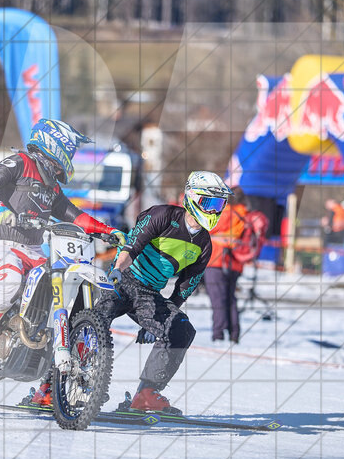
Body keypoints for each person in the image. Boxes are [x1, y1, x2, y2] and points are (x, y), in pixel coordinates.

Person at [0, 118, 125, 370]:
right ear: (54, 143)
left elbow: (75, 215)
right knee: (10, 282)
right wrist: (0, 209)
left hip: (34, 251)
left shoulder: (51, 186)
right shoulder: (19, 162)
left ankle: (47, 365)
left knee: (60, 288)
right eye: (70, 150)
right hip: (5, 245)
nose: (70, 156)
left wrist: (107, 230)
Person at [94, 171, 232, 413]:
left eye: (219, 205)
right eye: (208, 203)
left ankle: (146, 394)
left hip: (148, 294)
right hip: (122, 279)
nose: (213, 211)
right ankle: (52, 386)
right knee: (91, 322)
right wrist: (116, 271)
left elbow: (184, 289)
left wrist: (158, 322)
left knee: (181, 330)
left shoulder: (204, 244)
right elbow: (132, 247)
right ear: (192, 198)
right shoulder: (162, 216)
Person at [205, 187, 249, 344]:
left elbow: (205, 227)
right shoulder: (245, 214)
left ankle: (218, 334)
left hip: (216, 261)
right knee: (230, 298)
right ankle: (234, 333)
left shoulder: (225, 213)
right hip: (235, 263)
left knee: (217, 299)